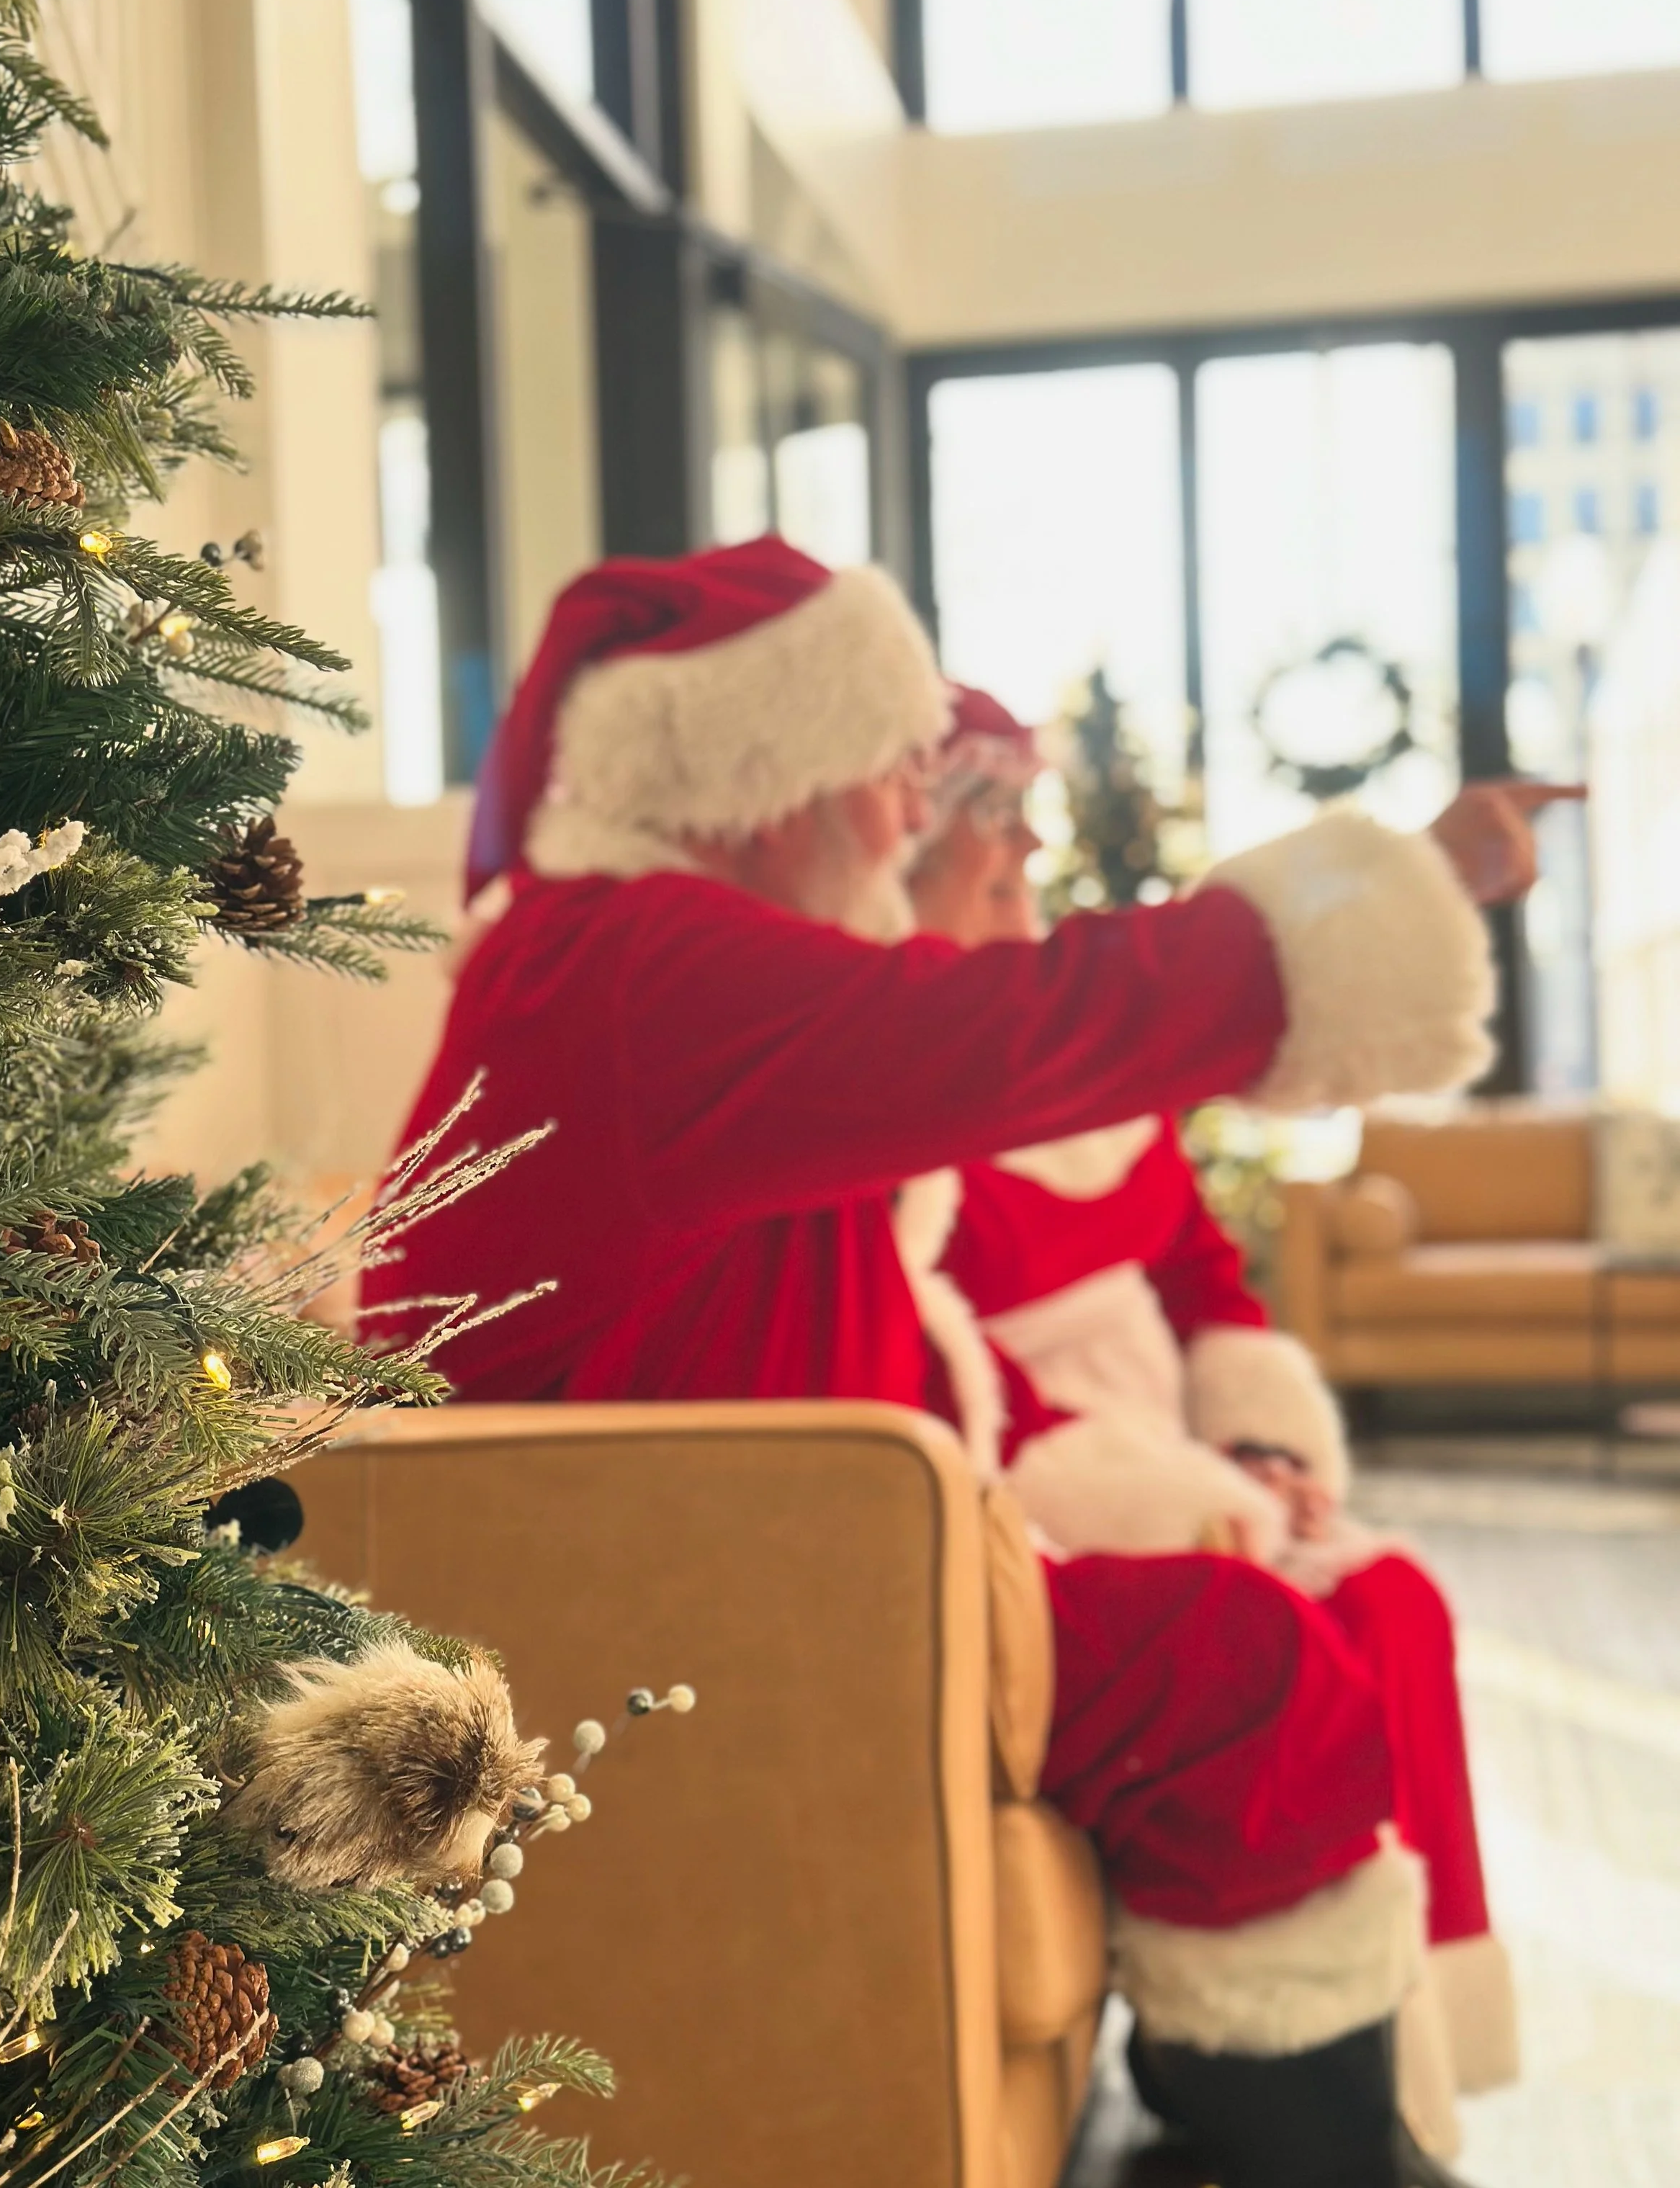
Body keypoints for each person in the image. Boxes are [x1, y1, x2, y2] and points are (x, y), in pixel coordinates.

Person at [369, 536, 1564, 2188]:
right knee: (1246, 1670)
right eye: (881, 782)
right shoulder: (644, 970)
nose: (894, 828)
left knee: (1246, 1654)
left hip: (757, 1581)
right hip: (710, 1622)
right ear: (762, 778)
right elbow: (1024, 1029)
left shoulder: (607, 961)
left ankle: (1277, 2143)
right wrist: (1396, 880)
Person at [904, 686, 1517, 2158]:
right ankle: (1267, 2081)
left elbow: (1197, 1278)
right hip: (1058, 1484)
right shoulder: (913, 1080)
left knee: (1392, 1597)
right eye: (985, 841)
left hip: (1186, 1448)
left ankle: (1395, 2049)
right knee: (1285, 1632)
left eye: (1017, 844)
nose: (1017, 869)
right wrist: (1189, 1489)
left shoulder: (1089, 1078)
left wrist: (1266, 1451)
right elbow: (960, 1359)